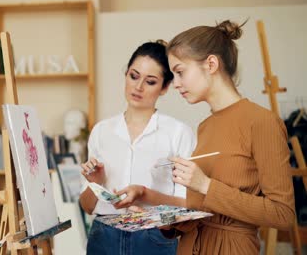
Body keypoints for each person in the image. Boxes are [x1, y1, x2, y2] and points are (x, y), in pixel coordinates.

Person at [162, 20, 295, 254]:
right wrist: (175, 222)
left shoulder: (262, 122)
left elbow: (283, 214)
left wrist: (206, 185)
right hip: (191, 245)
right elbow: (208, 205)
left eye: (180, 72)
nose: (176, 84)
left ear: (211, 64)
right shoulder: (205, 126)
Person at [79, 41, 195, 255]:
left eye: (150, 81)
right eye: (134, 76)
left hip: (153, 236)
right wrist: (95, 183)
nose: (138, 87)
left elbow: (186, 206)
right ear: (126, 74)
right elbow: (87, 206)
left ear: (165, 87)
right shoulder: (101, 131)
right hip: (103, 235)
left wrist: (145, 195)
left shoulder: (178, 133)